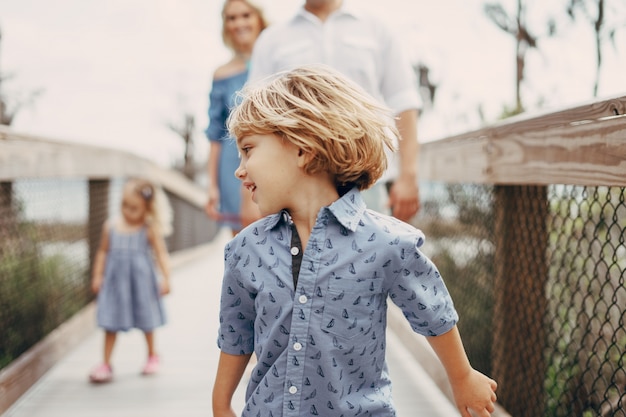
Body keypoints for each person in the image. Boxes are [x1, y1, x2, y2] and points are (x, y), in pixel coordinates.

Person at [212, 65, 497, 417]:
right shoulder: (245, 250)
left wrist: (462, 376)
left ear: (303, 150)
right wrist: (221, 404)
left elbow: (432, 310)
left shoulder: (386, 242)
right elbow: (236, 333)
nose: (239, 169)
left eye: (248, 149)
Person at [248, 0, 421, 222]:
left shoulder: (377, 29)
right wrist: (249, 192)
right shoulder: (272, 39)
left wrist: (408, 175)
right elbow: (254, 116)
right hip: (294, 184)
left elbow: (403, 101)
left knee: (369, 254)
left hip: (367, 184)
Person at [88, 178, 172, 383]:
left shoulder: (148, 228)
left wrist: (166, 278)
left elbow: (161, 254)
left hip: (142, 284)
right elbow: (102, 252)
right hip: (116, 286)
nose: (127, 211)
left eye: (134, 208)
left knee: (147, 319)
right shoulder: (111, 227)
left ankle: (152, 355)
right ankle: (106, 363)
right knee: (110, 321)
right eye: (124, 205)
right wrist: (98, 275)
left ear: (147, 208)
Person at [205, 0, 267, 235]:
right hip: (234, 165)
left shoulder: (277, 61)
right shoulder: (222, 74)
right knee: (243, 241)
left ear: (258, 18)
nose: (239, 23)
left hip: (272, 160)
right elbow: (214, 133)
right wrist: (212, 186)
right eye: (231, 18)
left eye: (245, 15)